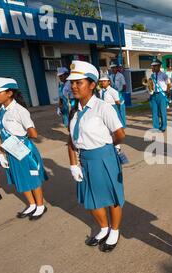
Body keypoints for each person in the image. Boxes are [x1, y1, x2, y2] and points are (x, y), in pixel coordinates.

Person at [67, 61, 126, 252]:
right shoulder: (74, 110)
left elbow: (120, 134)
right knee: (90, 198)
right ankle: (103, 228)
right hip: (83, 159)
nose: (74, 86)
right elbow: (71, 139)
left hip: (103, 156)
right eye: (72, 83)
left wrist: (109, 148)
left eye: (79, 82)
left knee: (111, 196)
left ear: (92, 85)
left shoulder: (103, 108)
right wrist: (73, 164)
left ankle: (114, 230)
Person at [0, 77, 48, 219]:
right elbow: (0, 133)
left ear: (9, 93)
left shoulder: (19, 110)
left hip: (23, 150)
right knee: (19, 178)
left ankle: (40, 206)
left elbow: (33, 133)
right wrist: (1, 152)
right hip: (10, 150)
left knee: (32, 178)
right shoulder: (0, 111)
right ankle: (32, 204)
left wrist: (18, 140)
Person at [149, 58, 170, 132]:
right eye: (152, 66)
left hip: (162, 95)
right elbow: (150, 85)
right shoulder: (152, 75)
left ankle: (163, 127)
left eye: (155, 66)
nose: (153, 67)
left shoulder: (164, 75)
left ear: (159, 66)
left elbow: (168, 84)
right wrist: (150, 90)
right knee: (154, 112)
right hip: (154, 95)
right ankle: (156, 127)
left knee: (162, 112)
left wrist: (167, 93)